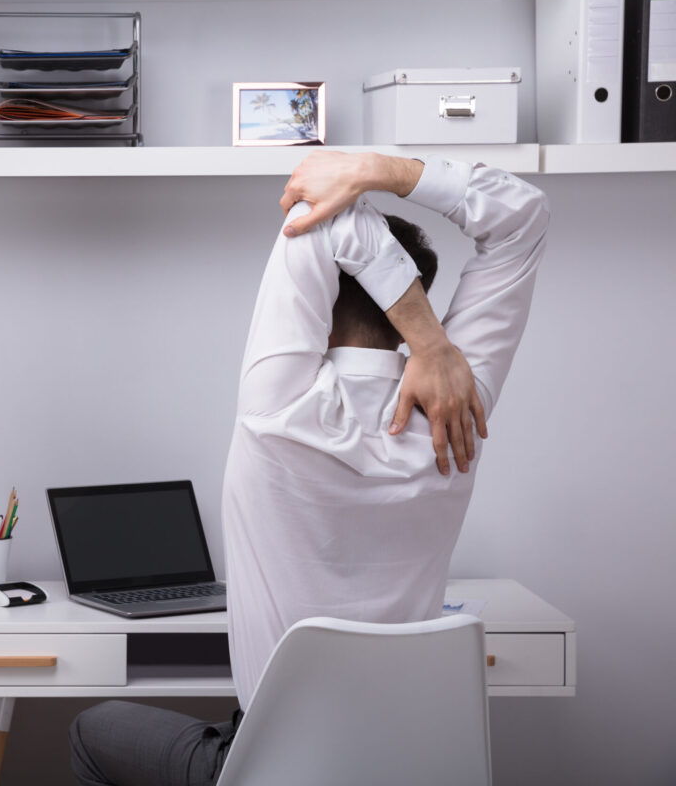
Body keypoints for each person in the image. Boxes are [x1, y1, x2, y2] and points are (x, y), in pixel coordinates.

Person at [69, 152, 549, 786]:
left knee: (91, 730)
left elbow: (317, 218)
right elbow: (524, 216)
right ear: (419, 295)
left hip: (276, 768)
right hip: (412, 762)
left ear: (322, 296)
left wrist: (429, 338)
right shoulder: (459, 414)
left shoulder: (280, 406)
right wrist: (378, 172)